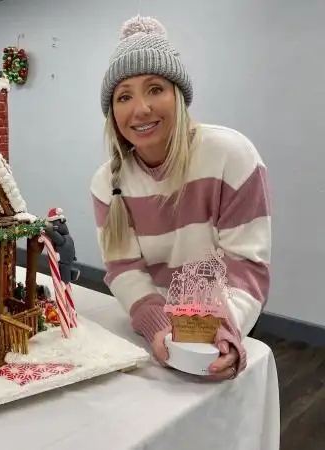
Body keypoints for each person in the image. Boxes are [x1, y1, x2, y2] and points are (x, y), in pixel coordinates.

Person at [90, 15, 271, 381]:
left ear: (178, 95)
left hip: (223, 327)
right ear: (113, 113)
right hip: (151, 335)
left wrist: (219, 333)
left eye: (155, 89)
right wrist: (157, 326)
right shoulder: (105, 183)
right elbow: (125, 270)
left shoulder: (231, 157)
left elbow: (245, 266)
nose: (140, 109)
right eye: (124, 96)